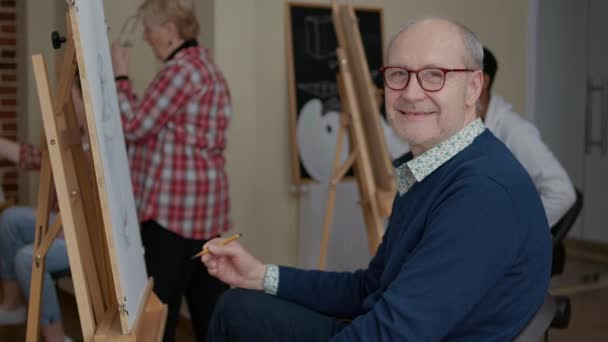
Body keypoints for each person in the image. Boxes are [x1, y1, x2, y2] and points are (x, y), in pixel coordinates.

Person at [202, 18, 552, 341]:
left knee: (237, 316)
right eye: (398, 74)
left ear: (474, 86)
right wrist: (260, 276)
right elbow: (371, 287)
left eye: (434, 75)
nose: (411, 93)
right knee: (237, 307)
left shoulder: (481, 194)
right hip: (390, 328)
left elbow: (390, 335)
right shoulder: (430, 166)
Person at [110, 0, 232, 341]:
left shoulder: (180, 71)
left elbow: (135, 125)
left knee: (158, 314)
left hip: (173, 213)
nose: (146, 37)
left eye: (149, 29)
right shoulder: (208, 67)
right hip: (208, 213)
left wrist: (120, 75)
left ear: (170, 30)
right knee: (207, 309)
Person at [0, 82, 85, 342]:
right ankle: (13, 306)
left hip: (89, 237)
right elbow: (34, 158)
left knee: (28, 257)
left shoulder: (105, 146)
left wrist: (61, 230)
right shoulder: (71, 138)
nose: (64, 109)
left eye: (72, 102)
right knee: (9, 219)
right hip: (64, 222)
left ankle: (55, 336)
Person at [479, 47, 576, 227]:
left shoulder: (516, 132)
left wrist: (518, 234)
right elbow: (411, 175)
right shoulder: (459, 131)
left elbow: (562, 193)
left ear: (481, 81)